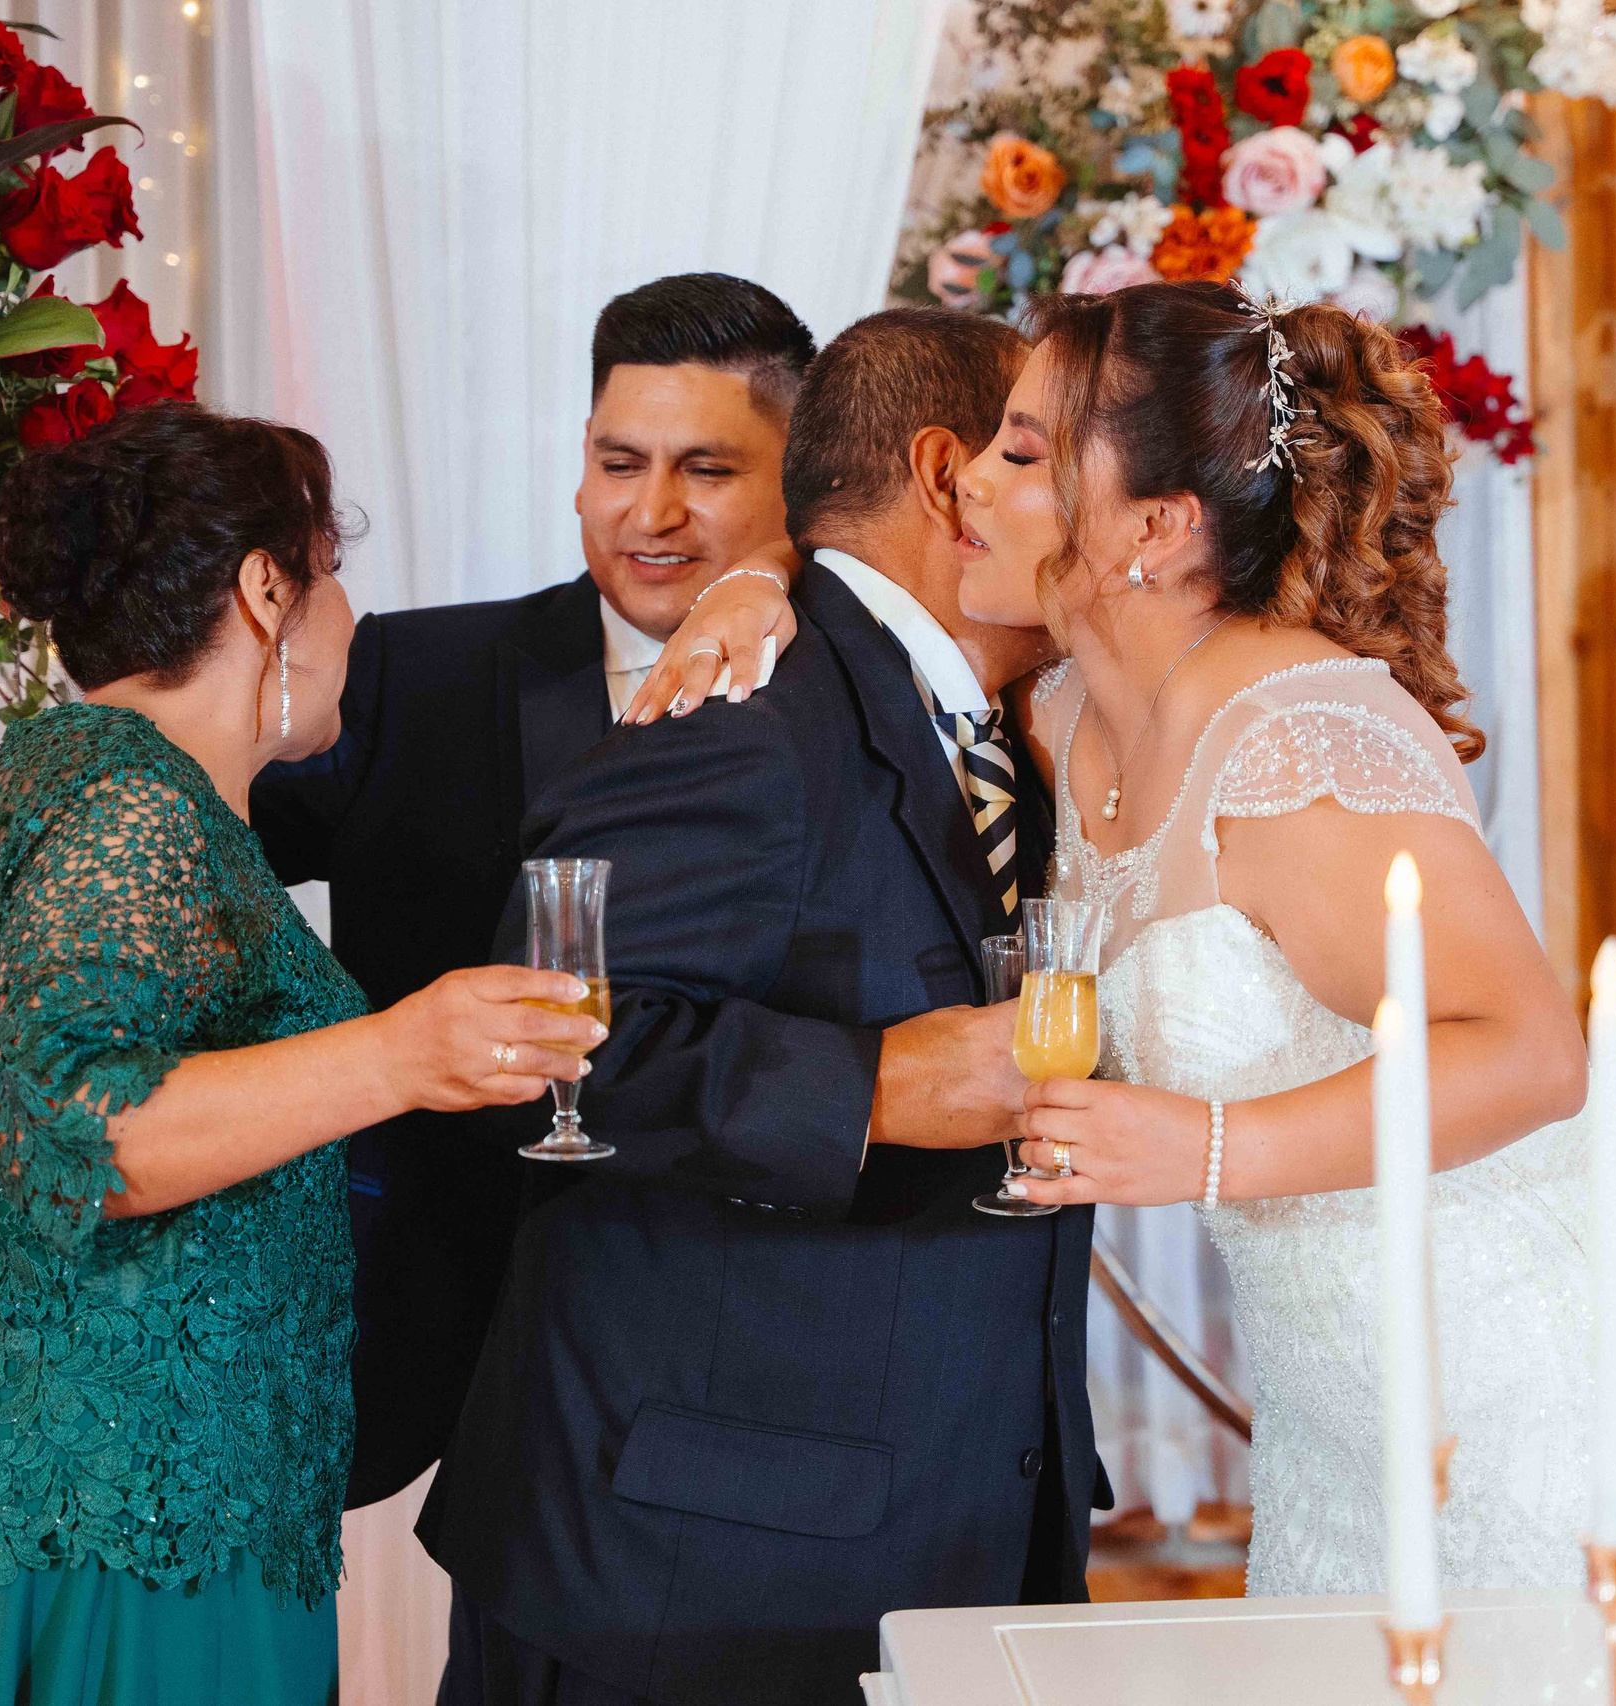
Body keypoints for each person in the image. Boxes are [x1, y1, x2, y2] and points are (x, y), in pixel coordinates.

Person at [675, 282, 1616, 1593]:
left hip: (1549, 1380)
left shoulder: (1290, 742)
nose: (968, 487)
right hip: (1345, 1407)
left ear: (1153, 528)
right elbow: (875, 602)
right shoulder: (1062, 712)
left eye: (1027, 453)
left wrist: (1209, 1145)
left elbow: (1533, 1053)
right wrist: (752, 584)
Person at [0, 273, 810, 1511]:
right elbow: (175, 798)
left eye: (713, 471)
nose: (654, 510)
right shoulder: (412, 676)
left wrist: (783, 577)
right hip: (456, 1360)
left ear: (798, 482)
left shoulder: (858, 689)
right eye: (620, 460)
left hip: (765, 1358)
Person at [0, 405, 602, 1706]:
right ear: (266, 589)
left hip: (111, 1494)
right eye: (333, 570)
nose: (353, 617)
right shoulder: (128, 800)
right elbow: (84, 1129)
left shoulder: (94, 783)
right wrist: (399, 1052)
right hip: (120, 1519)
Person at [419, 307, 1092, 1706]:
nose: (1086, 507)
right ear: (947, 473)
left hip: (906, 1531)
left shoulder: (999, 722)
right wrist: (875, 1089)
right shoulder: (745, 706)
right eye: (1049, 458)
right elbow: (547, 1026)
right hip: (687, 1575)